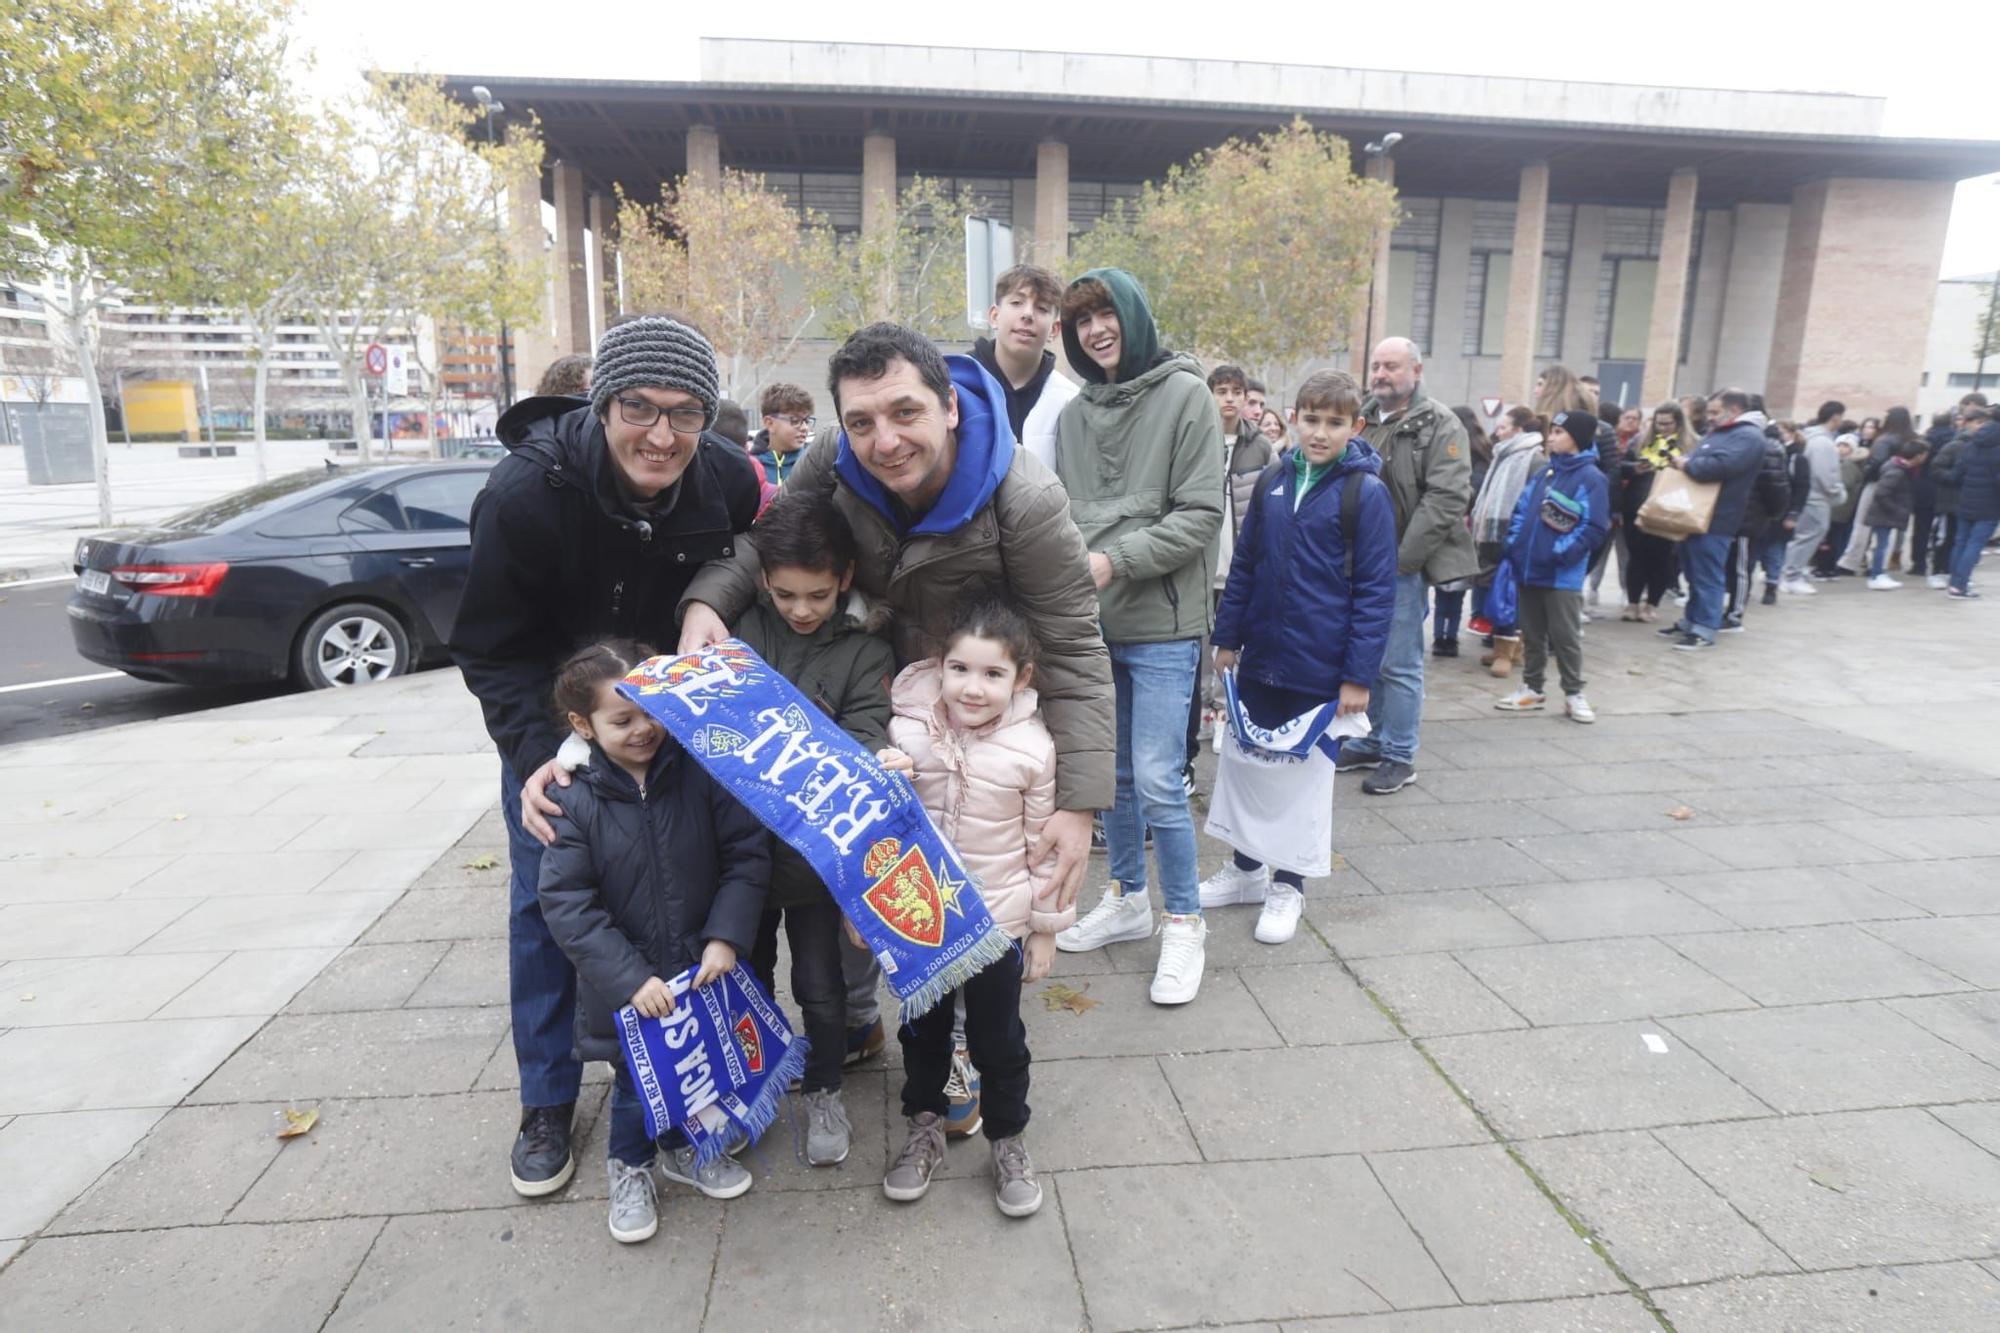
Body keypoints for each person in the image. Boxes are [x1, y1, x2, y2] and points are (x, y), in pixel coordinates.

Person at [677, 322, 1112, 1054]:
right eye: (862, 421)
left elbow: (1072, 644)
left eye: (905, 412)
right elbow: (767, 538)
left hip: (979, 700)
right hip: (887, 694)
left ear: (948, 406)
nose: (884, 441)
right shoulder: (834, 460)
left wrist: (1078, 802)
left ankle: (970, 1050)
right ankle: (857, 1017)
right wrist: (704, 603)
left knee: (977, 865)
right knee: (862, 853)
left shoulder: (1024, 500)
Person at [451, 314, 763, 1199]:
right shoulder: (523, 494)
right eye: (639, 408)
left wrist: (711, 594)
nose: (661, 435)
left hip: (670, 734)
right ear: (601, 402)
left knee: (686, 895)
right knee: (547, 903)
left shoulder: (728, 478)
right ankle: (547, 1098)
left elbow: (761, 547)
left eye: (685, 412)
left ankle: (694, 1077)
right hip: (560, 729)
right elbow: (489, 647)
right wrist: (542, 752)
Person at [535, 640, 771, 1244]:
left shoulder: (699, 771)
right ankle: (631, 1165)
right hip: (628, 986)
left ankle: (689, 1150)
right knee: (638, 1086)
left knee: (702, 1070)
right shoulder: (573, 797)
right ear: (582, 725)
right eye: (623, 719)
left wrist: (726, 936)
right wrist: (627, 980)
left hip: (699, 970)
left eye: (652, 711)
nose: (643, 729)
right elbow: (567, 903)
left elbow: (746, 855)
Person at [1049, 268, 1224, 1006]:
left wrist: (1112, 558)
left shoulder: (1187, 396)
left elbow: (1198, 516)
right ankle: (1126, 898)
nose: (1095, 329)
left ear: (1134, 314)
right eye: (1082, 319)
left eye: (1105, 312)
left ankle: (1183, 918)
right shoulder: (1074, 415)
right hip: (1094, 624)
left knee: (1157, 777)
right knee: (1109, 775)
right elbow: (1059, 511)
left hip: (1163, 623)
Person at [876, 600, 1071, 1218]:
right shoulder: (906, 732)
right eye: (959, 668)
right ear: (939, 667)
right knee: (922, 1032)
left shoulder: (1034, 749)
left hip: (997, 924)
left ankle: (1007, 1139)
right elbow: (875, 840)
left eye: (993, 674)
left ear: (1022, 678)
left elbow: (1044, 852)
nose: (973, 687)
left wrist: (1044, 931)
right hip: (921, 921)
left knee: (998, 1039)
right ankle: (926, 1125)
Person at [1198, 370, 1396, 939]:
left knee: (1301, 780)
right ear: (1293, 417)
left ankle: (1289, 886)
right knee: (1248, 768)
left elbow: (1377, 593)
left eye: (1335, 422)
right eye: (1311, 419)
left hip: (1321, 665)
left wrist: (1358, 676)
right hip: (1261, 654)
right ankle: (1244, 871)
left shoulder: (1366, 495)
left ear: (1354, 427)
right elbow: (1247, 563)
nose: (1319, 432)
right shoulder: (1274, 480)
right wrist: (1228, 638)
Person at [731, 491, 895, 1169]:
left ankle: (825, 1087)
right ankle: (754, 1084)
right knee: (747, 977)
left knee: (823, 987)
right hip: (738, 856)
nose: (801, 609)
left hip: (814, 859)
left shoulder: (864, 650)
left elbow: (864, 738)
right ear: (763, 582)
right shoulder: (739, 629)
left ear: (844, 581)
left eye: (817, 595)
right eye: (785, 594)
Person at [1333, 338, 1476, 795]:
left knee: (1399, 663)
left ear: (1415, 369)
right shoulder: (1363, 419)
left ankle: (1399, 753)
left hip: (1399, 567)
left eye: (1391, 366)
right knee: (1367, 659)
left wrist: (1400, 560)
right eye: (1375, 365)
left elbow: (1447, 497)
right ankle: (1373, 739)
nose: (1380, 374)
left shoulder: (1440, 424)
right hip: (1357, 564)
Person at [1493, 410, 1611, 722]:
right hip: (1528, 570)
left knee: (1565, 637)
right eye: (1553, 431)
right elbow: (1521, 511)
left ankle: (1574, 693)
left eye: (1559, 432)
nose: (1551, 437)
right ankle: (1533, 688)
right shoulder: (1545, 473)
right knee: (1532, 634)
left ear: (1578, 438)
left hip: (1562, 575)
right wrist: (1515, 546)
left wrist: (1560, 554)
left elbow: (1594, 527)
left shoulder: (1592, 478)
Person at [1193, 363, 1278, 785]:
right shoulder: (1197, 435)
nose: (1229, 398)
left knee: (1233, 645)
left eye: (1237, 392)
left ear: (1248, 399)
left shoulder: (1260, 447)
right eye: (1221, 390)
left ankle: (1227, 713)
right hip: (1201, 564)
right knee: (1202, 646)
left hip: (1239, 561)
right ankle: (1206, 713)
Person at [1660, 388, 1766, 651]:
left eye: (1715, 412)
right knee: (1695, 571)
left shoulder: (1748, 436)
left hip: (1717, 518)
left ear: (1735, 411)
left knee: (1707, 574)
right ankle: (1691, 621)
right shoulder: (1724, 433)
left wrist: (1687, 465)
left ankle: (1705, 628)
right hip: (1698, 514)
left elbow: (1719, 467)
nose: (1709, 417)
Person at [970, 263, 1077, 468]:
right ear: (994, 316)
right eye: (1017, 302)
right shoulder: (958, 383)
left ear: (1055, 329)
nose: (1028, 314)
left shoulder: (1069, 400)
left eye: (1042, 308)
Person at [1469, 406, 1545, 676]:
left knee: (1509, 596)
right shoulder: (1503, 455)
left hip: (1514, 538)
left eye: (1502, 427)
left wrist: (1518, 538)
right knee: (1498, 592)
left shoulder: (1533, 460)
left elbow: (1534, 504)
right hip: (1492, 536)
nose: (1496, 432)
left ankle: (1508, 653)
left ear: (1519, 430)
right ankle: (1510, 650)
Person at [1431, 406, 1491, 658]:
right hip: (1461, 534)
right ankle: (1446, 639)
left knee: (1449, 596)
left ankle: (1445, 638)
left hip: (1457, 533)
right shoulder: (1483, 457)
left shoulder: (1469, 457)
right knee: (1451, 596)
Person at [1619, 403, 1688, 620]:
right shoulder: (1640, 441)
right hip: (1638, 504)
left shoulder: (1689, 445)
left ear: (1678, 423)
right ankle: (1632, 602)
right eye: (1659, 423)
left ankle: (1651, 604)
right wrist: (1634, 468)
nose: (1662, 428)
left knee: (1662, 557)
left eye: (1667, 424)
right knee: (1637, 556)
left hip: (1671, 505)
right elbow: (1622, 465)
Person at [1781, 402, 1847, 595]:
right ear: (1835, 417)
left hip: (1807, 496)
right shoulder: (1823, 443)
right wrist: (1837, 492)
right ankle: (1791, 575)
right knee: (1809, 536)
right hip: (1816, 497)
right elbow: (1825, 474)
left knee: (1802, 536)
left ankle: (1788, 571)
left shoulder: (1810, 437)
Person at [1943, 408, 1999, 597]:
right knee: (1974, 545)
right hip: (1990, 505)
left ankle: (1953, 583)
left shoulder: (1971, 443)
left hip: (1966, 500)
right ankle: (1960, 586)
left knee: (1960, 542)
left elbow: (1957, 475)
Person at [1864, 436, 1928, 588]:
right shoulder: (1897, 471)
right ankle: (1876, 575)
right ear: (1918, 456)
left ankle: (1879, 573)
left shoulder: (1901, 468)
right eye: (1925, 454)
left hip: (1885, 514)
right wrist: (1897, 510)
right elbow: (1881, 493)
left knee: (1883, 544)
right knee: (1882, 545)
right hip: (1883, 514)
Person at [1818, 431, 1867, 578]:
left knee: (1830, 540)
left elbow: (1844, 483)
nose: (1841, 448)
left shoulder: (1848, 465)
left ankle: (1826, 568)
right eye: (1839, 444)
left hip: (1838, 509)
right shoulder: (1844, 463)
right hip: (1840, 508)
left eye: (1846, 446)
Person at [750, 383, 816, 489]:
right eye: (795, 421)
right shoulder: (750, 468)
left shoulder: (814, 467)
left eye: (806, 421)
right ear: (769, 423)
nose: (804, 428)